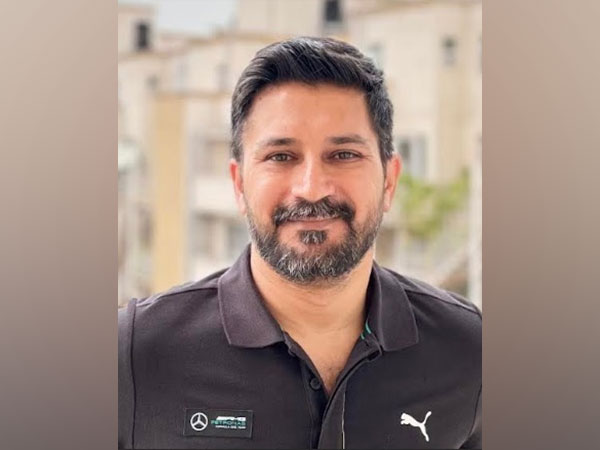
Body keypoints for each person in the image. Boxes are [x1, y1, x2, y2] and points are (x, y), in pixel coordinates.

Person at [118, 36, 481, 449]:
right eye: (281, 156)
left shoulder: (471, 352)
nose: (311, 188)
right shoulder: (134, 355)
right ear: (239, 185)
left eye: (343, 155)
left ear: (389, 181)